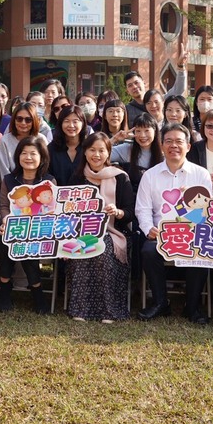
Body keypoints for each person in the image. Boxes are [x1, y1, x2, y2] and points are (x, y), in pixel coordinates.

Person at [135, 123, 213, 324]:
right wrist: (148, 229)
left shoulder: (200, 174)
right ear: (161, 145)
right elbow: (142, 209)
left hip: (192, 233)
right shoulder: (150, 175)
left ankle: (192, 306)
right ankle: (160, 303)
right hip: (161, 235)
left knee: (200, 251)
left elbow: (206, 211)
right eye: (168, 141)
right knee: (148, 251)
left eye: (179, 141)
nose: (173, 146)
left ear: (188, 146)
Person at [66, 133, 134, 322]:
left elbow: (130, 212)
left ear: (108, 153)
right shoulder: (77, 177)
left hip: (114, 231)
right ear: (85, 152)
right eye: (92, 150)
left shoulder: (120, 177)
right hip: (81, 231)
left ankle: (109, 311)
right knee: (82, 248)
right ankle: (81, 310)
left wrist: (118, 212)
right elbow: (67, 210)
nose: (96, 155)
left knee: (103, 250)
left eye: (101, 150)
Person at [0, 135, 54, 314]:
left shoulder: (49, 182)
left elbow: (52, 209)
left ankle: (35, 289)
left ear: (41, 158)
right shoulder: (8, 180)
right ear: (18, 156)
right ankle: (6, 287)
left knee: (26, 241)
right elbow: (4, 206)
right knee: (8, 238)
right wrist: (6, 220)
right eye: (24, 153)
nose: (28, 157)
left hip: (40, 230)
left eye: (33, 154)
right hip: (14, 227)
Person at [114, 113, 164, 190]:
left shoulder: (165, 151)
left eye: (147, 130)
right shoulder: (127, 149)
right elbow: (100, 155)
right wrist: (114, 139)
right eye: (138, 131)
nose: (142, 135)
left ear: (155, 131)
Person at [0, 102, 40, 180]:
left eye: (28, 120)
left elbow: (45, 166)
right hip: (11, 184)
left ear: (34, 121)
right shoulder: (5, 141)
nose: (23, 123)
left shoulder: (41, 139)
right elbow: (4, 171)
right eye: (19, 119)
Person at [48, 104, 86, 186]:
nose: (71, 125)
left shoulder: (89, 147)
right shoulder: (51, 149)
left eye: (75, 121)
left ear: (83, 123)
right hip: (58, 193)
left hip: (85, 193)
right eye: (66, 121)